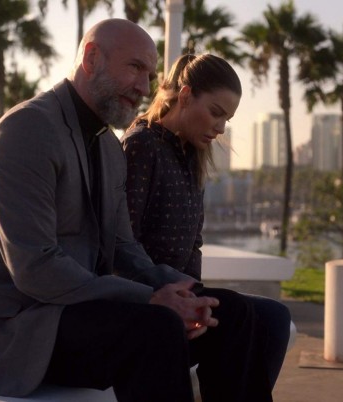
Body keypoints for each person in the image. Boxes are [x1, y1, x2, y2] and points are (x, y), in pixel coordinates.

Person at [0, 19, 268, 402]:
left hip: (68, 311)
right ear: (91, 59)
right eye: (135, 68)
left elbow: (124, 248)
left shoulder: (108, 146)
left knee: (234, 314)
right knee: (155, 329)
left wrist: (186, 291)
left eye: (149, 75)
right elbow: (36, 268)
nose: (145, 88)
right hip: (5, 328)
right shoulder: (25, 131)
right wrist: (149, 298)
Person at [121, 53, 291, 388]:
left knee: (274, 318)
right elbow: (123, 241)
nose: (221, 127)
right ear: (185, 96)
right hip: (147, 296)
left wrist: (196, 296)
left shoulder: (192, 156)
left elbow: (193, 242)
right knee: (238, 314)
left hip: (184, 292)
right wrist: (180, 295)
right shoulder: (141, 145)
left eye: (227, 118)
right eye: (216, 113)